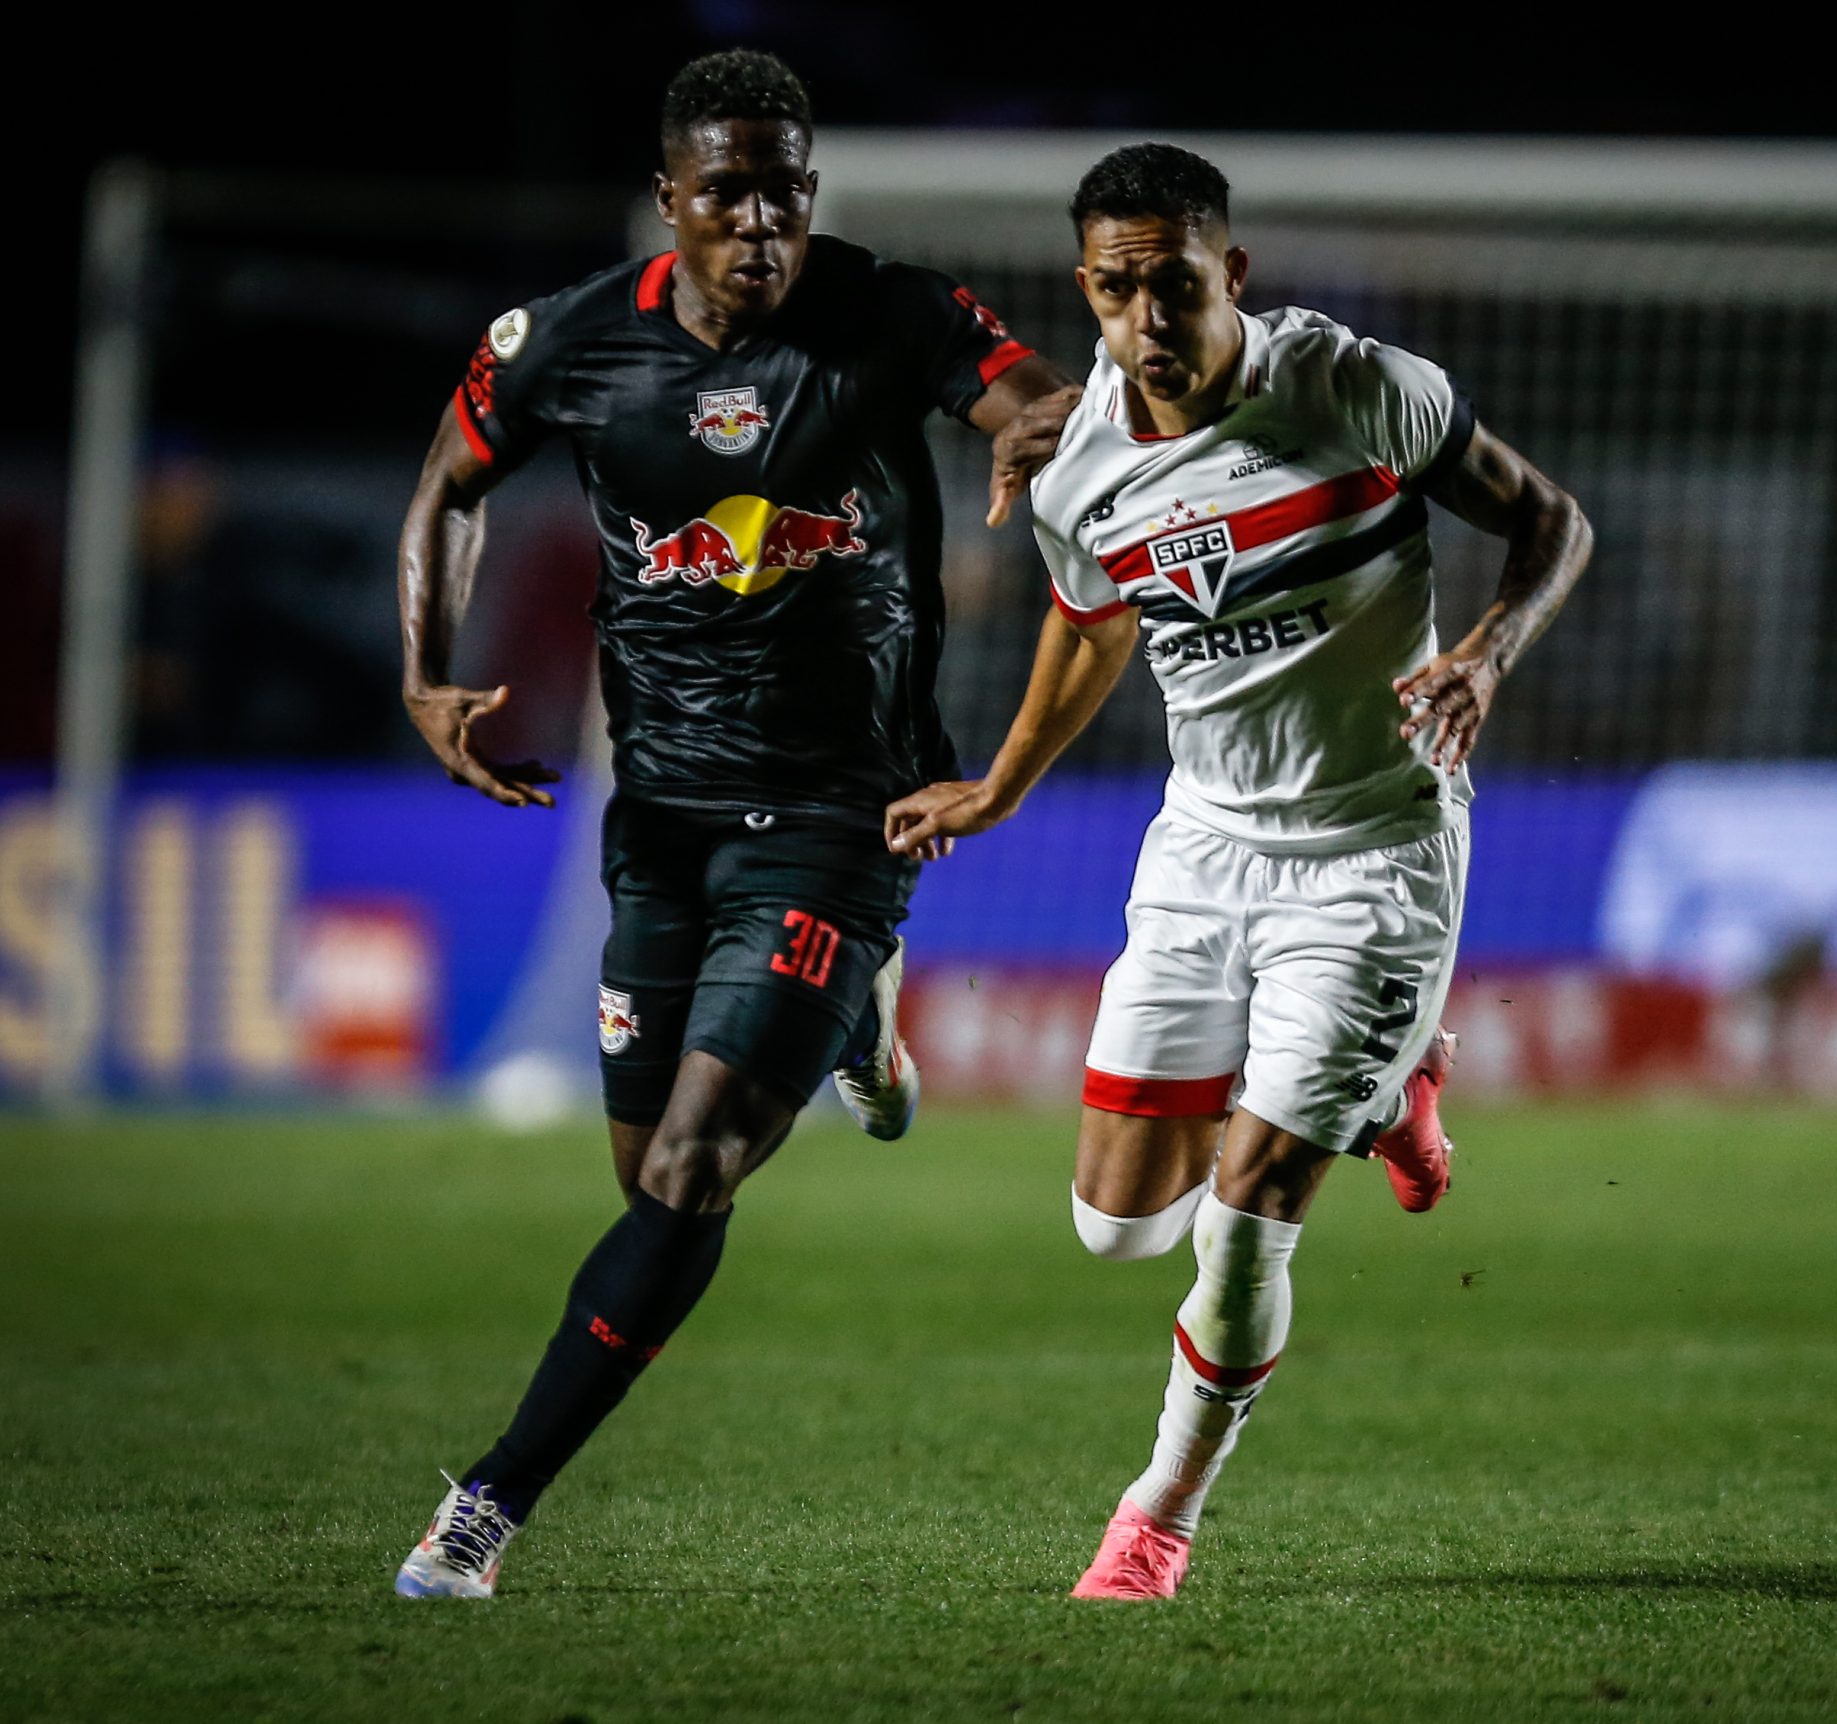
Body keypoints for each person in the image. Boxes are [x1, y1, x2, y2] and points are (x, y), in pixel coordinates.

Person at [389, 48, 1080, 1598]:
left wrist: (1036, 434)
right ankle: (862, 1034)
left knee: (697, 1166)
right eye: (729, 194)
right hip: (665, 819)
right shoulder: (567, 344)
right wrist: (427, 675)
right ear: (671, 204)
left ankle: (487, 1506)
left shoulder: (890, 310)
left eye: (785, 190)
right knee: (645, 1174)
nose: (762, 222)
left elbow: (1026, 391)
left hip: (846, 813)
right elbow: (449, 484)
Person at [883, 144, 1593, 1600]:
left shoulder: (1350, 387)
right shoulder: (1077, 457)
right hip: (1202, 849)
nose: (1151, 317)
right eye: (1120, 289)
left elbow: (1551, 519)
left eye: (1178, 285)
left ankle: (1157, 1518)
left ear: (1235, 276)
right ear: (1087, 289)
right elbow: (1093, 628)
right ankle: (1396, 1087)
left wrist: (1485, 654)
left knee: (1244, 1208)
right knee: (1113, 1225)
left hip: (1377, 850)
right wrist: (1003, 785)